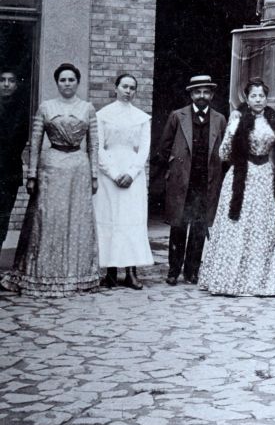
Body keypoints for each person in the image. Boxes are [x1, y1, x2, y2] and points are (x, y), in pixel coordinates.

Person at [1, 63, 99, 297]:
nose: (67, 83)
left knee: (75, 220)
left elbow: (93, 144)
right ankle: (41, 274)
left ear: (78, 82)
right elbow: (35, 144)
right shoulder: (46, 107)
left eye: (71, 79)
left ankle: (75, 275)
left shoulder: (87, 108)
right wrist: (32, 174)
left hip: (78, 169)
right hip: (51, 167)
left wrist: (94, 174)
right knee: (47, 219)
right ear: (57, 83)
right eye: (63, 80)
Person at [199, 78, 275, 296]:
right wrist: (232, 130)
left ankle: (259, 281)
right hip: (241, 178)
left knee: (262, 230)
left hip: (266, 177)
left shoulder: (274, 120)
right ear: (247, 98)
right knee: (238, 228)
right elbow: (223, 154)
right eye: (254, 96)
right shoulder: (238, 118)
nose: (258, 100)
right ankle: (231, 281)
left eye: (262, 96)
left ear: (266, 98)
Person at [154, 74, 226, 286]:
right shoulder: (178, 116)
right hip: (182, 181)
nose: (201, 96)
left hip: (206, 181)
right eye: (197, 92)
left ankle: (192, 271)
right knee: (178, 226)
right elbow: (164, 147)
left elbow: (225, 150)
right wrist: (170, 172)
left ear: (211, 95)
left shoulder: (219, 119)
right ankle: (173, 270)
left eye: (206, 92)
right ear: (191, 94)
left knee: (199, 227)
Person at [94, 73, 154, 290]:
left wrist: (131, 173)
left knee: (131, 221)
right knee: (109, 219)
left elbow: (144, 149)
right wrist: (113, 173)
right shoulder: (102, 115)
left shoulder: (141, 118)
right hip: (109, 174)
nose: (128, 91)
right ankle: (110, 273)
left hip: (133, 176)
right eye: (124, 86)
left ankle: (131, 272)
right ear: (116, 88)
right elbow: (98, 147)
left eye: (132, 88)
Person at [0, 69, 28, 250]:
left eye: (11, 81)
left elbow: (17, 141)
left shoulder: (22, 111)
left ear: (16, 85)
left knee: (2, 218)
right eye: (2, 80)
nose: (6, 84)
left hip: (8, 173)